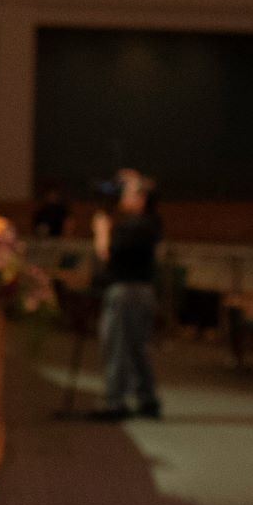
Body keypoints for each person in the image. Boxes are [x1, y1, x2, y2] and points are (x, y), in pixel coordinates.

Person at [89, 168, 163, 421]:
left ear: (141, 198)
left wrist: (101, 230)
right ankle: (147, 398)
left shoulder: (137, 224)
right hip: (138, 292)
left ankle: (115, 402)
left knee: (117, 346)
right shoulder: (148, 223)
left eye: (129, 193)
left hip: (127, 292)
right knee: (135, 348)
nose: (122, 197)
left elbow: (106, 253)